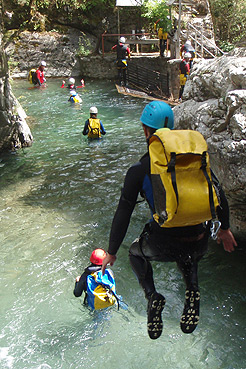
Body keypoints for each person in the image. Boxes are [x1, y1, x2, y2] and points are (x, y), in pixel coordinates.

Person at [101, 101, 237, 340]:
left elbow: (123, 213)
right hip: (200, 239)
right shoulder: (194, 160)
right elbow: (219, 194)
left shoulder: (140, 168)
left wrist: (111, 251)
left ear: (146, 131)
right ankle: (192, 289)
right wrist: (224, 228)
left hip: (162, 241)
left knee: (135, 253)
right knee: (190, 249)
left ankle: (152, 295)